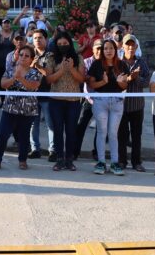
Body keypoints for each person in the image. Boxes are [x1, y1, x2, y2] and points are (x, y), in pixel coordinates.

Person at [0, 45, 42, 171]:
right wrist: (14, 78)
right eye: (21, 54)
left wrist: (20, 78)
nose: (23, 57)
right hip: (10, 109)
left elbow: (32, 86)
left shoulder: (36, 73)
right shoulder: (10, 70)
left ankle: (22, 160)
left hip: (27, 110)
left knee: (24, 136)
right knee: (2, 135)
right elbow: (3, 84)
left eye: (27, 56)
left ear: (31, 59)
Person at [88, 39, 128, 175]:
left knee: (112, 133)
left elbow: (125, 86)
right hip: (100, 101)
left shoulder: (122, 65)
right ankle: (101, 162)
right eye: (106, 48)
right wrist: (103, 81)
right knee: (101, 132)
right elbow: (92, 85)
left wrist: (120, 82)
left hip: (117, 102)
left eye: (111, 48)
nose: (108, 51)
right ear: (103, 51)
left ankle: (115, 163)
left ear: (115, 50)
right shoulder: (96, 64)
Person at [45, 31, 85, 171]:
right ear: (56, 44)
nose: (63, 46)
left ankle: (69, 159)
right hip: (56, 100)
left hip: (73, 100)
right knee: (57, 130)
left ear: (70, 43)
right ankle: (59, 159)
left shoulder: (78, 58)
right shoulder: (51, 58)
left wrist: (71, 69)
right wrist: (62, 69)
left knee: (71, 130)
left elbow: (81, 79)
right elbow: (49, 79)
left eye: (65, 43)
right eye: (60, 44)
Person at [118, 34, 151, 172]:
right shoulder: (118, 62)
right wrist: (130, 78)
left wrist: (136, 79)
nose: (130, 47)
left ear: (136, 47)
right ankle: (121, 161)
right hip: (121, 105)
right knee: (122, 135)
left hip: (137, 105)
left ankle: (137, 162)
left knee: (137, 135)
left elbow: (146, 82)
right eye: (128, 45)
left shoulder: (141, 62)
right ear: (123, 46)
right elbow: (116, 81)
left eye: (133, 45)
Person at [28, 29, 56, 160]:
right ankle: (35, 149)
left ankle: (53, 150)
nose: (37, 40)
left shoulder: (51, 55)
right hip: (32, 94)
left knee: (50, 124)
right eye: (35, 38)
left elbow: (49, 74)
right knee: (33, 124)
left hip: (47, 94)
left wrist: (37, 66)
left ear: (46, 39)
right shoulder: (28, 54)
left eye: (40, 38)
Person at [74, 39, 103, 161]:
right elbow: (82, 78)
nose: (100, 51)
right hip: (88, 99)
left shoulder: (107, 63)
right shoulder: (86, 62)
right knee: (80, 125)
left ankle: (96, 152)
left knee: (100, 128)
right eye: (98, 48)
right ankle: (74, 152)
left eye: (102, 49)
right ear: (93, 49)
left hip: (102, 100)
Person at [0, 18, 15, 107]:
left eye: (8, 23)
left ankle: (10, 100)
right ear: (2, 24)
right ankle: (3, 100)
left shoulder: (14, 34)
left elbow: (17, 46)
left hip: (11, 64)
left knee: (11, 82)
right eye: (5, 23)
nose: (7, 25)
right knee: (0, 82)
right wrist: (0, 43)